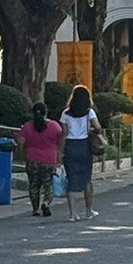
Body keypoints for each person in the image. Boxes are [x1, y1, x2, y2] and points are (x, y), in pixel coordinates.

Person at [60, 86, 103, 221]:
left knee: (71, 179)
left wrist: (60, 151)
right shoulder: (89, 112)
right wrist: (90, 129)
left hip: (70, 146)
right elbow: (98, 127)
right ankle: (89, 211)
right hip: (84, 146)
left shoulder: (65, 113)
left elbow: (64, 133)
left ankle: (73, 214)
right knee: (86, 180)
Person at [17, 102, 63, 217]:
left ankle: (35, 209)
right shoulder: (54, 126)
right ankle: (46, 203)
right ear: (46, 112)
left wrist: (22, 153)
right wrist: (59, 157)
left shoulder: (27, 126)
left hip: (32, 159)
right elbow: (61, 141)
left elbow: (21, 142)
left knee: (33, 185)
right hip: (49, 159)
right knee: (48, 185)